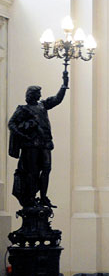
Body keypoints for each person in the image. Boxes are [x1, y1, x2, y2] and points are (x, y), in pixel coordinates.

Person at [8, 73, 69, 208]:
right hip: (31, 145)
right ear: (32, 95)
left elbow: (57, 99)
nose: (40, 95)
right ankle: (30, 198)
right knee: (33, 172)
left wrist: (64, 85)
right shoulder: (23, 109)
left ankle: (43, 197)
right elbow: (11, 124)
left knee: (47, 169)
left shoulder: (43, 105)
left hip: (45, 143)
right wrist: (23, 135)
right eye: (38, 93)